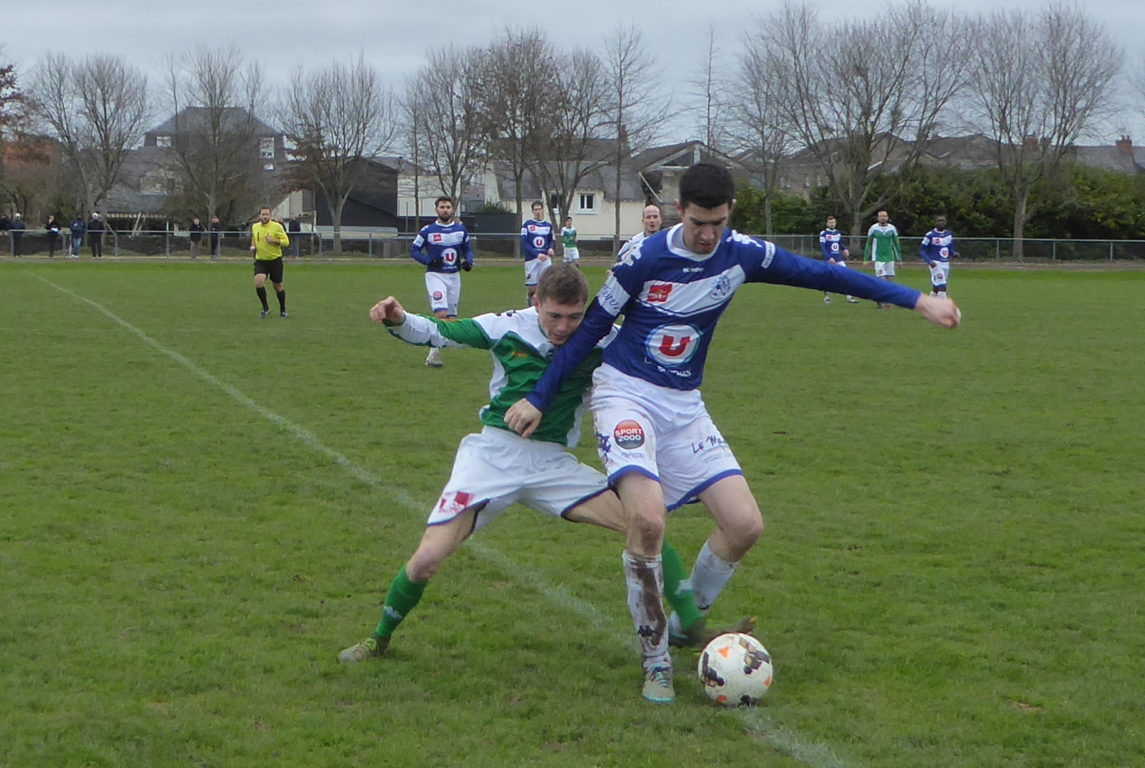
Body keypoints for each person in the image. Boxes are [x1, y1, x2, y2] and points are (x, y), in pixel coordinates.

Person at [503, 163, 961, 703]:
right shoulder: (643, 259)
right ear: (680, 212)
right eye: (699, 222)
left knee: (744, 525)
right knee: (647, 520)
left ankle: (681, 625)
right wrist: (540, 396)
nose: (707, 233)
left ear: (730, 213)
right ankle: (655, 662)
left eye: (717, 222)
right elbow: (590, 334)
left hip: (684, 406)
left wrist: (916, 299)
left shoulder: (742, 254)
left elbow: (823, 275)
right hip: (625, 393)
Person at [338, 265, 738, 665]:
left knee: (643, 520)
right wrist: (399, 319)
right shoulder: (507, 327)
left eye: (574, 317)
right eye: (554, 316)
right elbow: (442, 331)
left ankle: (691, 625)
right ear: (536, 303)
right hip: (492, 456)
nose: (564, 327)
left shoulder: (606, 340)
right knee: (427, 559)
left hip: (552, 464)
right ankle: (378, 639)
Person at [409, 195, 473, 368]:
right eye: (442, 207)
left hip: (454, 276)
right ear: (436, 209)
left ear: (452, 210)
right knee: (441, 314)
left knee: (451, 319)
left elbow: (468, 250)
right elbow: (414, 250)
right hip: (435, 276)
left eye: (448, 207)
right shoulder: (428, 231)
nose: (445, 210)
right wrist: (428, 261)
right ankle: (434, 352)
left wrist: (468, 262)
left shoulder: (460, 230)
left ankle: (434, 353)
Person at [249, 206, 290, 318]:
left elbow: (286, 242)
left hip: (275, 260)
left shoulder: (277, 227)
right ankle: (265, 308)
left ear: (270, 216)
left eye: (267, 214)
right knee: (259, 282)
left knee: (278, 286)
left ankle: (283, 309)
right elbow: (254, 237)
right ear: (259, 215)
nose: (265, 216)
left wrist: (274, 241)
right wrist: (253, 246)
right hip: (261, 260)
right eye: (263, 214)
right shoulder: (255, 226)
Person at [863, 208, 902, 308]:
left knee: (890, 279)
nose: (882, 218)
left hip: (890, 257)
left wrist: (899, 259)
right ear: (878, 218)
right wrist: (866, 259)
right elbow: (868, 244)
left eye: (884, 216)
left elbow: (896, 244)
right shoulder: (873, 228)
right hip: (878, 258)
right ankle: (882, 300)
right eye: (881, 216)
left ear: (887, 217)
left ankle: (885, 299)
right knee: (881, 279)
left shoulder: (892, 228)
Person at [520, 200, 555, 306]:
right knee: (532, 289)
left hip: (545, 259)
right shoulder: (527, 225)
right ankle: (529, 304)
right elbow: (524, 243)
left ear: (543, 210)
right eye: (535, 209)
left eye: (539, 209)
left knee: (547, 284)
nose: (538, 211)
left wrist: (551, 248)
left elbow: (551, 241)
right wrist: (536, 254)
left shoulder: (548, 225)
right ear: (532, 211)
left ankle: (543, 308)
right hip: (532, 259)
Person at [818, 215, 857, 304]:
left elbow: (840, 244)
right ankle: (827, 296)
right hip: (829, 259)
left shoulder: (838, 233)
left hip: (838, 259)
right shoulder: (824, 233)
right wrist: (828, 257)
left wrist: (845, 249)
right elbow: (823, 247)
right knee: (829, 278)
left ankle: (849, 296)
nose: (832, 224)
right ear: (827, 223)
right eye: (830, 223)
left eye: (833, 222)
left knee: (847, 275)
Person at [613, 204, 663, 269]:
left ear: (660, 220)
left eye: (655, 217)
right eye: (648, 217)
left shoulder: (668, 242)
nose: (652, 220)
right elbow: (616, 265)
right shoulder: (632, 242)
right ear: (643, 221)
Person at [919, 214, 957, 298]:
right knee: (943, 285)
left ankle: (929, 303)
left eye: (943, 221)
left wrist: (954, 253)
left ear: (946, 222)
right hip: (935, 263)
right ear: (935, 222)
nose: (941, 223)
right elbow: (922, 250)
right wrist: (929, 261)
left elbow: (950, 249)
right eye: (939, 221)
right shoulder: (930, 235)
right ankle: (942, 307)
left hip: (945, 263)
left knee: (936, 287)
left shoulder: (949, 234)